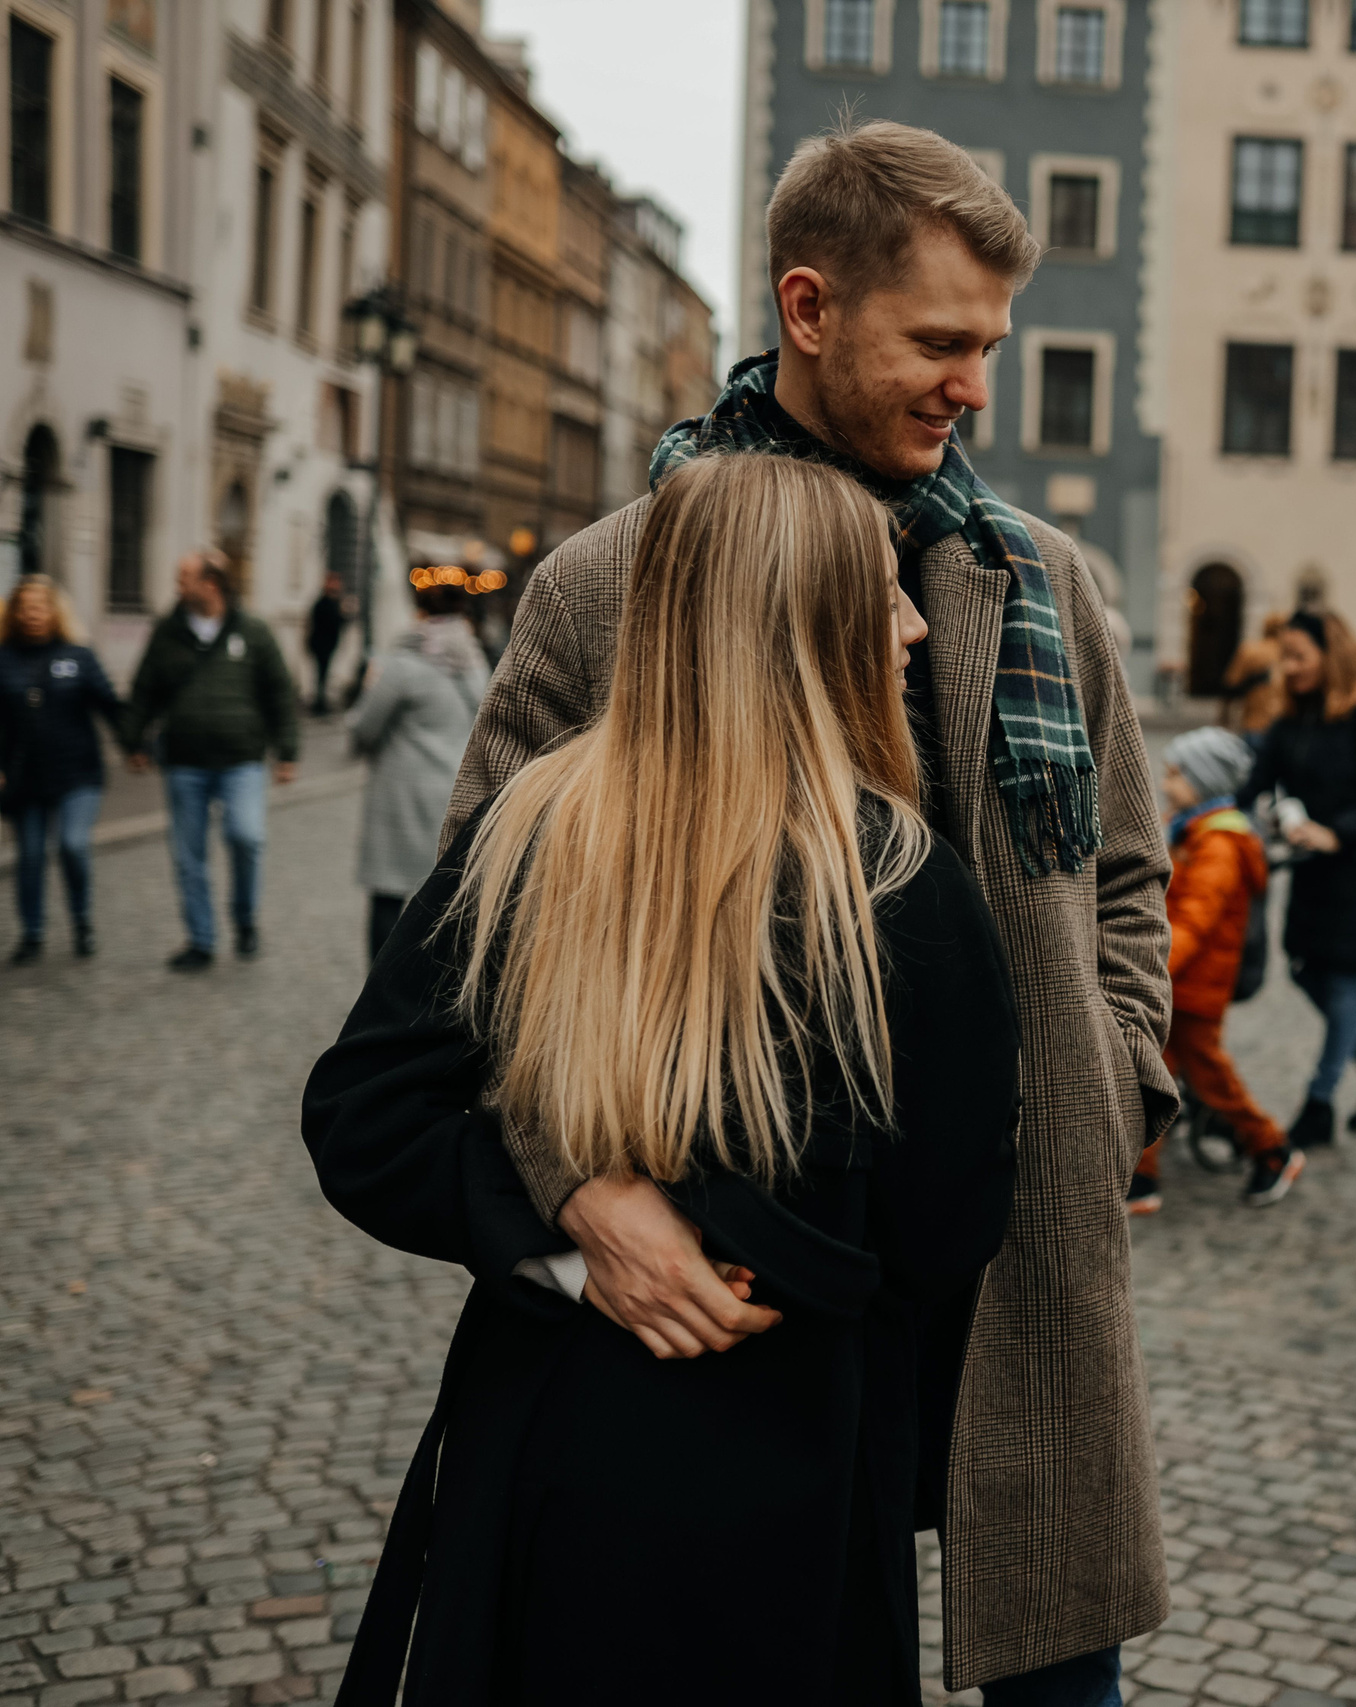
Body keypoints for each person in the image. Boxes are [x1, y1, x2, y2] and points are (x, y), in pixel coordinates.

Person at [439, 118, 1174, 1703]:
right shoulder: (613, 583)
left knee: (1063, 1675)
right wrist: (579, 1187)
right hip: (746, 1271)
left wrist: (1116, 1077)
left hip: (1017, 1255)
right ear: (809, 306)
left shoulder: (1041, 579)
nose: (973, 384)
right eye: (939, 342)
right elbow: (479, 941)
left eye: (989, 346)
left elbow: (1125, 869)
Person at [305, 453, 1019, 1704]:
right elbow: (948, 1229)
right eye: (882, 593)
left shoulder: (534, 825)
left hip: (548, 1435)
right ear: (805, 623)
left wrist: (566, 1235)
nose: (912, 625)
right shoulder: (904, 883)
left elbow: (367, 1118)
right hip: (795, 1466)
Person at [1241, 609, 1356, 1150]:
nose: (1289, 668)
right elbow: (1257, 779)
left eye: (1299, 656)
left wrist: (1338, 834)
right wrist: (1217, 813)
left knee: (1341, 983)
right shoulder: (1296, 713)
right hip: (1312, 869)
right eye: (1285, 657)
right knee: (1306, 971)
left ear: (1329, 653)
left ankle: (1319, 1103)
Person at [1130, 726, 1302, 1215]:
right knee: (1153, 1074)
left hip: (1194, 986)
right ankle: (1141, 1175)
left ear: (1203, 781)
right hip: (1180, 982)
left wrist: (1153, 971)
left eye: (1176, 774)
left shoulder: (1219, 844)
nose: (1166, 782)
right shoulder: (1190, 829)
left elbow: (1194, 920)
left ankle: (1272, 1147)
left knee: (1208, 1078)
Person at [122, 552, 299, 971]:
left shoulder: (253, 630)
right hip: (184, 763)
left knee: (247, 837)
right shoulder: (168, 632)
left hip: (242, 760)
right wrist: (133, 741)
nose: (177, 587)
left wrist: (287, 752)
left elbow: (280, 692)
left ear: (211, 584)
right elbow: (144, 688)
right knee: (189, 856)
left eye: (184, 578)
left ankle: (245, 918)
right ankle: (201, 940)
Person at [347, 576, 489, 959]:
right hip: (453, 791)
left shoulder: (403, 664)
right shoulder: (474, 664)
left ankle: (378, 985)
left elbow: (364, 727)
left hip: (401, 796)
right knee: (440, 897)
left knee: (388, 891)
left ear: (421, 613)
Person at [0, 575, 121, 962]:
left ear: (55, 612)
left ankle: (82, 920)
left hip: (77, 774)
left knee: (73, 844)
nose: (32, 614)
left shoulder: (78, 656)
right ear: (14, 614)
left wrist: (138, 744)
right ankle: (32, 933)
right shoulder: (4, 658)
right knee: (31, 856)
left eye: (40, 607)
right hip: (25, 777)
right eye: (24, 607)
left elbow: (110, 705)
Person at [306, 570, 350, 715]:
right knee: (321, 675)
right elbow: (330, 622)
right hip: (322, 645)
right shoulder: (325, 603)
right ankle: (319, 703)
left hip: (327, 645)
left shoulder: (331, 602)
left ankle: (320, 701)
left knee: (323, 675)